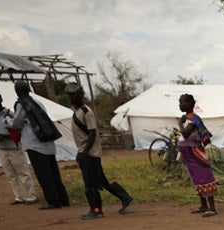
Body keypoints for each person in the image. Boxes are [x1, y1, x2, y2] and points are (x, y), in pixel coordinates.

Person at [65, 82, 133, 220]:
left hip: (89, 153)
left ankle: (96, 209)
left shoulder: (85, 112)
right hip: (87, 152)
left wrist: (84, 152)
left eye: (73, 95)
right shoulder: (77, 112)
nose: (71, 98)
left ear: (80, 95)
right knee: (101, 180)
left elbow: (92, 134)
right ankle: (125, 198)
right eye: (69, 95)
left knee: (90, 183)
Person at [11, 80, 69, 210]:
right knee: (54, 173)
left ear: (17, 92)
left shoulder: (21, 104)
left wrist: (8, 120)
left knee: (44, 175)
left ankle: (53, 201)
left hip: (34, 144)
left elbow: (16, 123)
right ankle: (63, 198)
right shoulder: (38, 102)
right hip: (47, 141)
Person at [0, 90, 37, 205]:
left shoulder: (10, 113)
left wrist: (6, 136)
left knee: (23, 172)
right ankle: (19, 196)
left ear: (1, 98)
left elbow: (19, 128)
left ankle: (31, 196)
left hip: (14, 147)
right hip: (1, 148)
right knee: (10, 174)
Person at [178, 94, 217, 217]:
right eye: (179, 102)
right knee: (196, 178)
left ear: (189, 105)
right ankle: (203, 205)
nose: (179, 105)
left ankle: (212, 207)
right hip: (189, 154)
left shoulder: (194, 119)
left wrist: (179, 123)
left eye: (182, 103)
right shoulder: (186, 118)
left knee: (204, 177)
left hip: (196, 153)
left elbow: (185, 134)